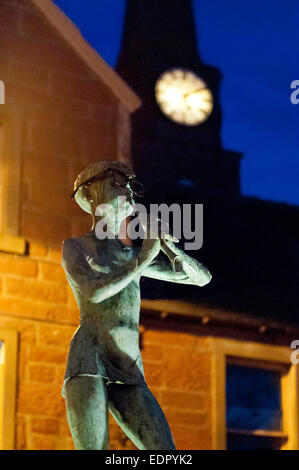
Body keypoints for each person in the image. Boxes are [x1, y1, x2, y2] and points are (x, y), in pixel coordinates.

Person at [61, 160, 212, 450]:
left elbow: (202, 279)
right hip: (88, 362)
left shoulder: (132, 254)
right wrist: (143, 259)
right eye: (116, 184)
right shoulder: (76, 247)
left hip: (128, 366)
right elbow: (92, 292)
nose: (127, 190)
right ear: (92, 196)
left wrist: (169, 248)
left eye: (129, 185)